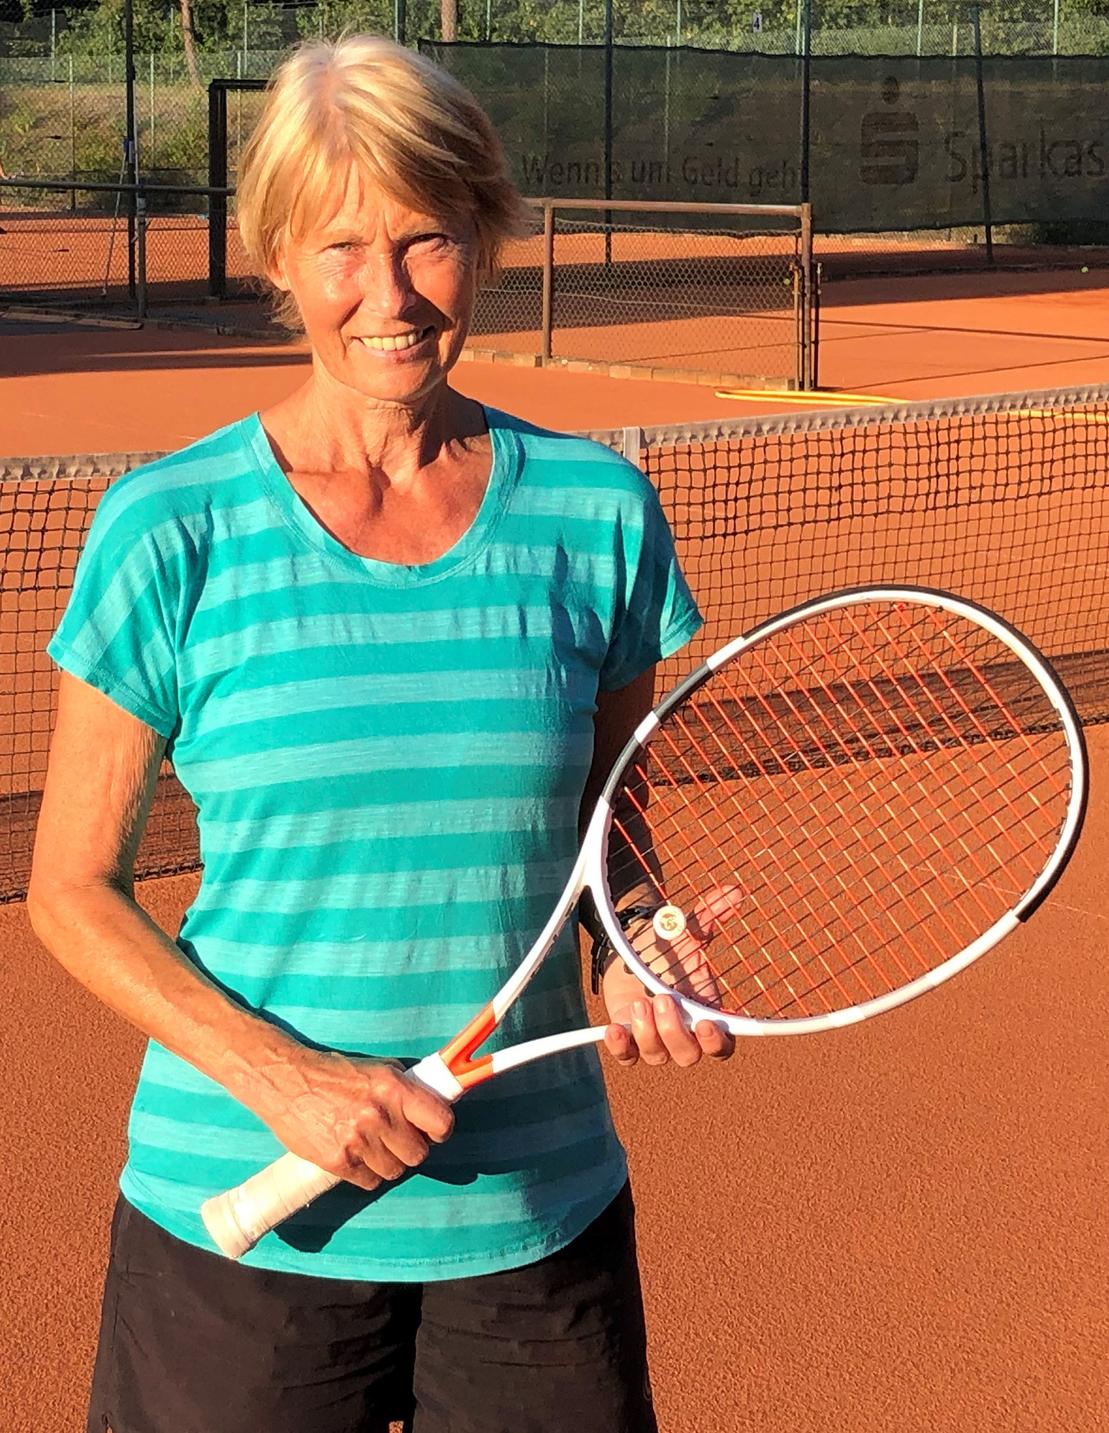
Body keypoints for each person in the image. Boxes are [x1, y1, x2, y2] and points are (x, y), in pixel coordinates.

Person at [28, 35, 735, 1433]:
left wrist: (645, 941)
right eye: (340, 245)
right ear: (276, 255)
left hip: (536, 1225)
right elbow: (70, 889)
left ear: (483, 235)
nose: (390, 296)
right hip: (239, 1233)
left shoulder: (594, 513)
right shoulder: (169, 529)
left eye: (428, 240)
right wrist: (283, 1082)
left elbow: (612, 835)